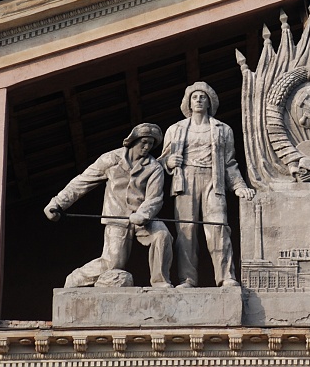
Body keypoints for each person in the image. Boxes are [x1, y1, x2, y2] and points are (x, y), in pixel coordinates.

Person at [44, 123, 173, 288]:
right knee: (113, 264)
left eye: (151, 144)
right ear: (133, 140)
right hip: (116, 218)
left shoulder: (154, 167)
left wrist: (143, 214)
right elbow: (83, 181)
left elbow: (155, 198)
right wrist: (57, 202)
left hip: (143, 218)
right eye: (144, 142)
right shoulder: (111, 159)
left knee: (162, 235)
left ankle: (160, 281)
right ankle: (77, 278)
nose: (147, 147)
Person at [160, 82, 255, 288]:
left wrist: (239, 185)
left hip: (214, 180)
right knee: (186, 232)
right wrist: (168, 162)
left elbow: (229, 162)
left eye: (203, 97)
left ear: (210, 101)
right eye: (194, 97)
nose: (199, 100)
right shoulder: (175, 129)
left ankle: (226, 276)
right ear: (188, 102)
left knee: (219, 227)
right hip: (185, 181)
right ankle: (187, 279)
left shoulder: (223, 129)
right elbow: (160, 161)